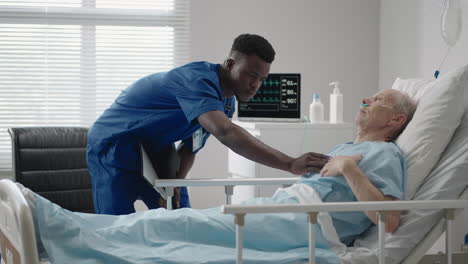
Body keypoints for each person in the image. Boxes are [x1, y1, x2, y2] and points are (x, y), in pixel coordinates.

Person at [21, 89, 416, 263]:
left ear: (397, 120)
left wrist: (347, 168)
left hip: (304, 226)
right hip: (287, 211)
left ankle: (55, 231)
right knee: (169, 223)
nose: (367, 102)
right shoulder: (346, 146)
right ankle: (56, 229)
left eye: (378, 100)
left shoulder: (384, 154)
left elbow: (389, 219)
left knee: (175, 226)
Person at [86, 33, 329, 215]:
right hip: (114, 144)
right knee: (115, 226)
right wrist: (289, 163)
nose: (256, 85)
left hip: (156, 148)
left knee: (181, 217)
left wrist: (177, 182)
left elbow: (190, 147)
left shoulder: (225, 103)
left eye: (262, 79)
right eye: (251, 75)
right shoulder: (197, 81)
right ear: (231, 64)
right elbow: (225, 131)